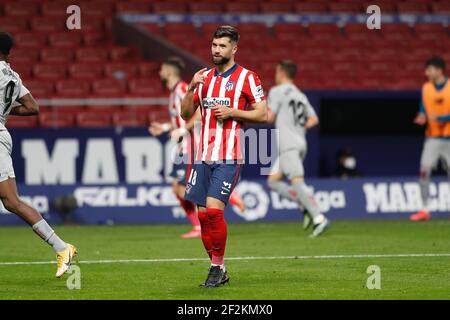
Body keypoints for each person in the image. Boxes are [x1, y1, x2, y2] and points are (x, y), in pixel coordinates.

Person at [180, 26, 267, 288]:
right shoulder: (204, 78)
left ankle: (217, 268)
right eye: (214, 45)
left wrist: (232, 112)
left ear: (234, 49)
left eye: (222, 46)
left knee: (214, 214)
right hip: (202, 156)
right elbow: (186, 114)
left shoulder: (248, 78)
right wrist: (191, 88)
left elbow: (262, 114)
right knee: (204, 216)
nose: (216, 50)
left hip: (229, 155)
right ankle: (218, 267)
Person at [0, 31, 76, 277]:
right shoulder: (13, 76)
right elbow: (33, 107)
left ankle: (61, 247)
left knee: (11, 201)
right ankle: (62, 247)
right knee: (11, 201)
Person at [266, 60, 330, 237]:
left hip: (289, 145)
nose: (275, 74)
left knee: (297, 182)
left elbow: (269, 117)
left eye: (276, 71)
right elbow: (313, 119)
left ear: (282, 73)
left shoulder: (277, 91)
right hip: (300, 143)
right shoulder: (300, 95)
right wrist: (298, 128)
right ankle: (304, 203)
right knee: (272, 181)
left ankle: (319, 218)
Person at [411, 56, 450, 221]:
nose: (426, 73)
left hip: (449, 137)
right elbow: (423, 107)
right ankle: (425, 209)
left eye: (429, 70)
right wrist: (421, 116)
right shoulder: (426, 87)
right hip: (432, 138)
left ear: (439, 70)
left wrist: (441, 118)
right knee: (424, 171)